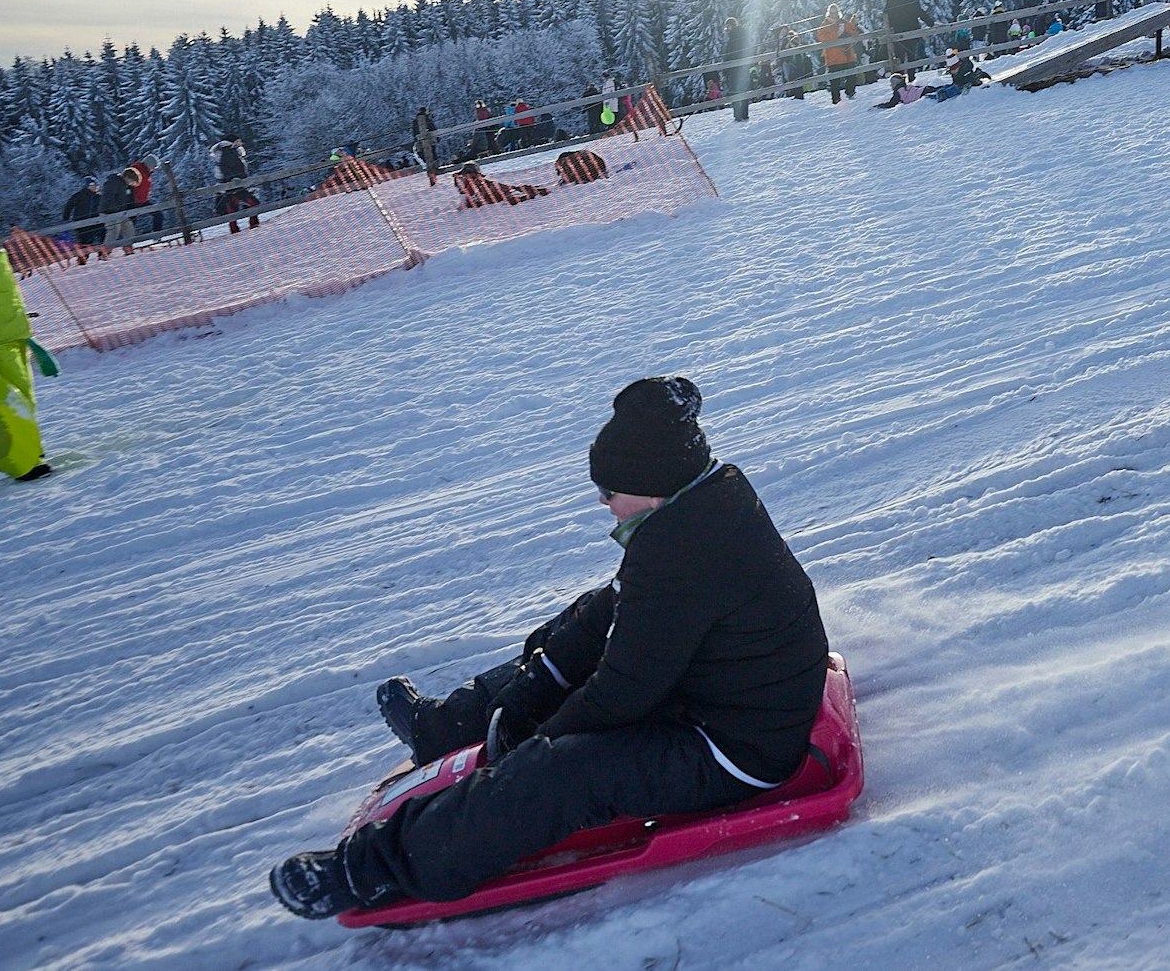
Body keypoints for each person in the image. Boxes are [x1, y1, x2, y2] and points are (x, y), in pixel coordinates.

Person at [269, 377, 831, 918]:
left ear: (652, 486)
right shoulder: (700, 506)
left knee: (562, 770)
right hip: (714, 693)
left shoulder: (685, 554)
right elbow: (614, 611)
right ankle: (440, 728)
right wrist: (537, 681)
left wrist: (538, 739)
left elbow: (623, 692)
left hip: (735, 746)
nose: (604, 502)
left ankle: (370, 870)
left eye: (609, 490)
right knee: (563, 649)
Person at [0, 247, 56, 482]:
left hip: (10, 331)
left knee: (21, 397)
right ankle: (24, 461)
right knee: (6, 403)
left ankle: (30, 453)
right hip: (8, 331)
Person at [816, 5, 863, 105]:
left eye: (836, 12)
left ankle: (850, 93)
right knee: (835, 81)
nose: (834, 15)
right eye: (832, 13)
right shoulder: (824, 25)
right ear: (828, 13)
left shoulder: (843, 22)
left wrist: (854, 24)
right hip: (834, 57)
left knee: (852, 76)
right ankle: (836, 100)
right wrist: (836, 32)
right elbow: (822, 38)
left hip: (848, 55)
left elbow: (854, 33)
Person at [883, 0, 934, 68]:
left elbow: (885, 15)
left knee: (899, 57)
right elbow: (920, 12)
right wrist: (930, 23)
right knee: (912, 56)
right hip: (912, 31)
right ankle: (911, 74)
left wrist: (891, 27)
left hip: (897, 33)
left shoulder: (891, 0)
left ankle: (900, 74)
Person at [723, 17, 753, 121]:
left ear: (733, 26)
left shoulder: (735, 37)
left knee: (735, 91)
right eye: (726, 27)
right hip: (741, 68)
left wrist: (726, 67)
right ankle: (743, 114)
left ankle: (738, 115)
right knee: (742, 90)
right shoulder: (739, 35)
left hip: (736, 68)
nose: (727, 29)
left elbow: (731, 54)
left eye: (728, 27)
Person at [60, 178, 100, 246]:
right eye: (93, 185)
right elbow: (69, 206)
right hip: (81, 222)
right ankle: (84, 251)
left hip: (94, 222)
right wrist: (65, 219)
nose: (95, 187)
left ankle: (101, 251)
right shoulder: (79, 195)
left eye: (96, 185)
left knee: (97, 237)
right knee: (85, 241)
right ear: (87, 186)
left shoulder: (98, 196)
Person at [412, 108, 440, 182]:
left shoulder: (415, 121)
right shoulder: (427, 119)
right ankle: (434, 170)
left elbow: (414, 133)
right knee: (433, 155)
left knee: (426, 157)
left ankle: (431, 172)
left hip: (421, 142)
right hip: (430, 141)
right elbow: (433, 129)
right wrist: (437, 138)